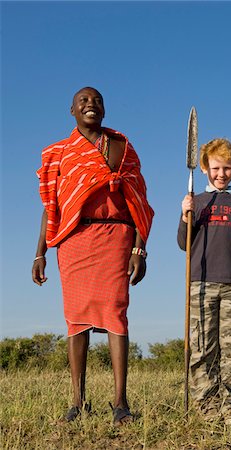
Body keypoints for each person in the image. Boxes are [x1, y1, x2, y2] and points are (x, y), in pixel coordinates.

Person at [32, 87, 154, 425]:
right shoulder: (59, 154)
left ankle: (120, 404)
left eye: (97, 100)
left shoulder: (121, 147)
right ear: (71, 109)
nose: (91, 104)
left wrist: (139, 248)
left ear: (105, 109)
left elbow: (140, 201)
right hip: (73, 240)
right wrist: (39, 253)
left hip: (116, 237)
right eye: (83, 101)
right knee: (76, 320)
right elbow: (51, 207)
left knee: (115, 314)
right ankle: (77, 403)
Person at [177, 138, 231, 425]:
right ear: (204, 168)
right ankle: (206, 405)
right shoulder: (197, 202)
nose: (221, 174)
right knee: (202, 346)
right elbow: (182, 244)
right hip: (200, 284)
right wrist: (185, 214)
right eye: (215, 168)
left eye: (227, 168)